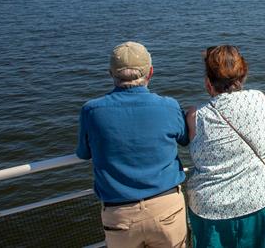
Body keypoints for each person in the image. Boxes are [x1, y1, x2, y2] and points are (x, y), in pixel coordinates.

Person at [76, 41, 189, 248]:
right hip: (166, 208)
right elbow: (184, 139)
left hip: (120, 215)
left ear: (111, 73)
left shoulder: (91, 111)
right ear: (150, 72)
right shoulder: (169, 106)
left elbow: (83, 153)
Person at [186, 45, 265, 248]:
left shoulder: (196, 116)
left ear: (208, 83)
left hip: (212, 210)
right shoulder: (259, 99)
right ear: (242, 76)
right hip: (261, 199)